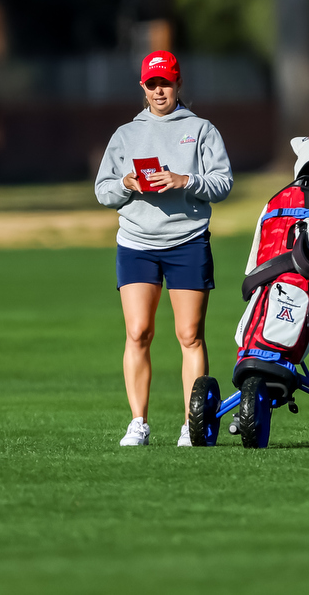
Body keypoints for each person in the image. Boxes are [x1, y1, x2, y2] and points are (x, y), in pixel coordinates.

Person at [95, 50, 233, 447]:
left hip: (187, 241)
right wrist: (126, 185)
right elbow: (103, 191)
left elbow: (222, 184)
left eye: (166, 83)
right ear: (143, 87)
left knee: (189, 335)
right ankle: (138, 422)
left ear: (178, 84)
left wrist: (184, 180)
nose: (159, 91)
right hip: (136, 242)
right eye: (152, 84)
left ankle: (193, 425)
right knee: (138, 332)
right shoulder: (126, 134)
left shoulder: (202, 130)